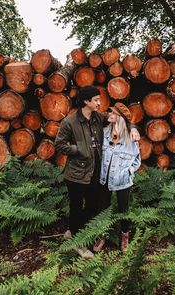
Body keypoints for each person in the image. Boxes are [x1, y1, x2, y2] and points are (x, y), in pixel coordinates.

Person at [55, 86, 140, 258]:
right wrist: (79, 148)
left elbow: (121, 118)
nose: (100, 103)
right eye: (96, 100)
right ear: (86, 101)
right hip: (77, 174)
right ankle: (77, 243)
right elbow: (59, 145)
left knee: (93, 206)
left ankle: (73, 231)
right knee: (76, 207)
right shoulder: (70, 122)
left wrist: (133, 127)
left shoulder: (98, 118)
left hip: (95, 173)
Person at [94, 102, 141, 252]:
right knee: (102, 208)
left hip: (123, 181)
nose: (109, 114)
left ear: (119, 117)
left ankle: (125, 236)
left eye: (113, 113)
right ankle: (102, 235)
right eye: (109, 112)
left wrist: (128, 172)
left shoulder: (130, 137)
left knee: (123, 210)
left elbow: (137, 160)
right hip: (104, 179)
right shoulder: (104, 132)